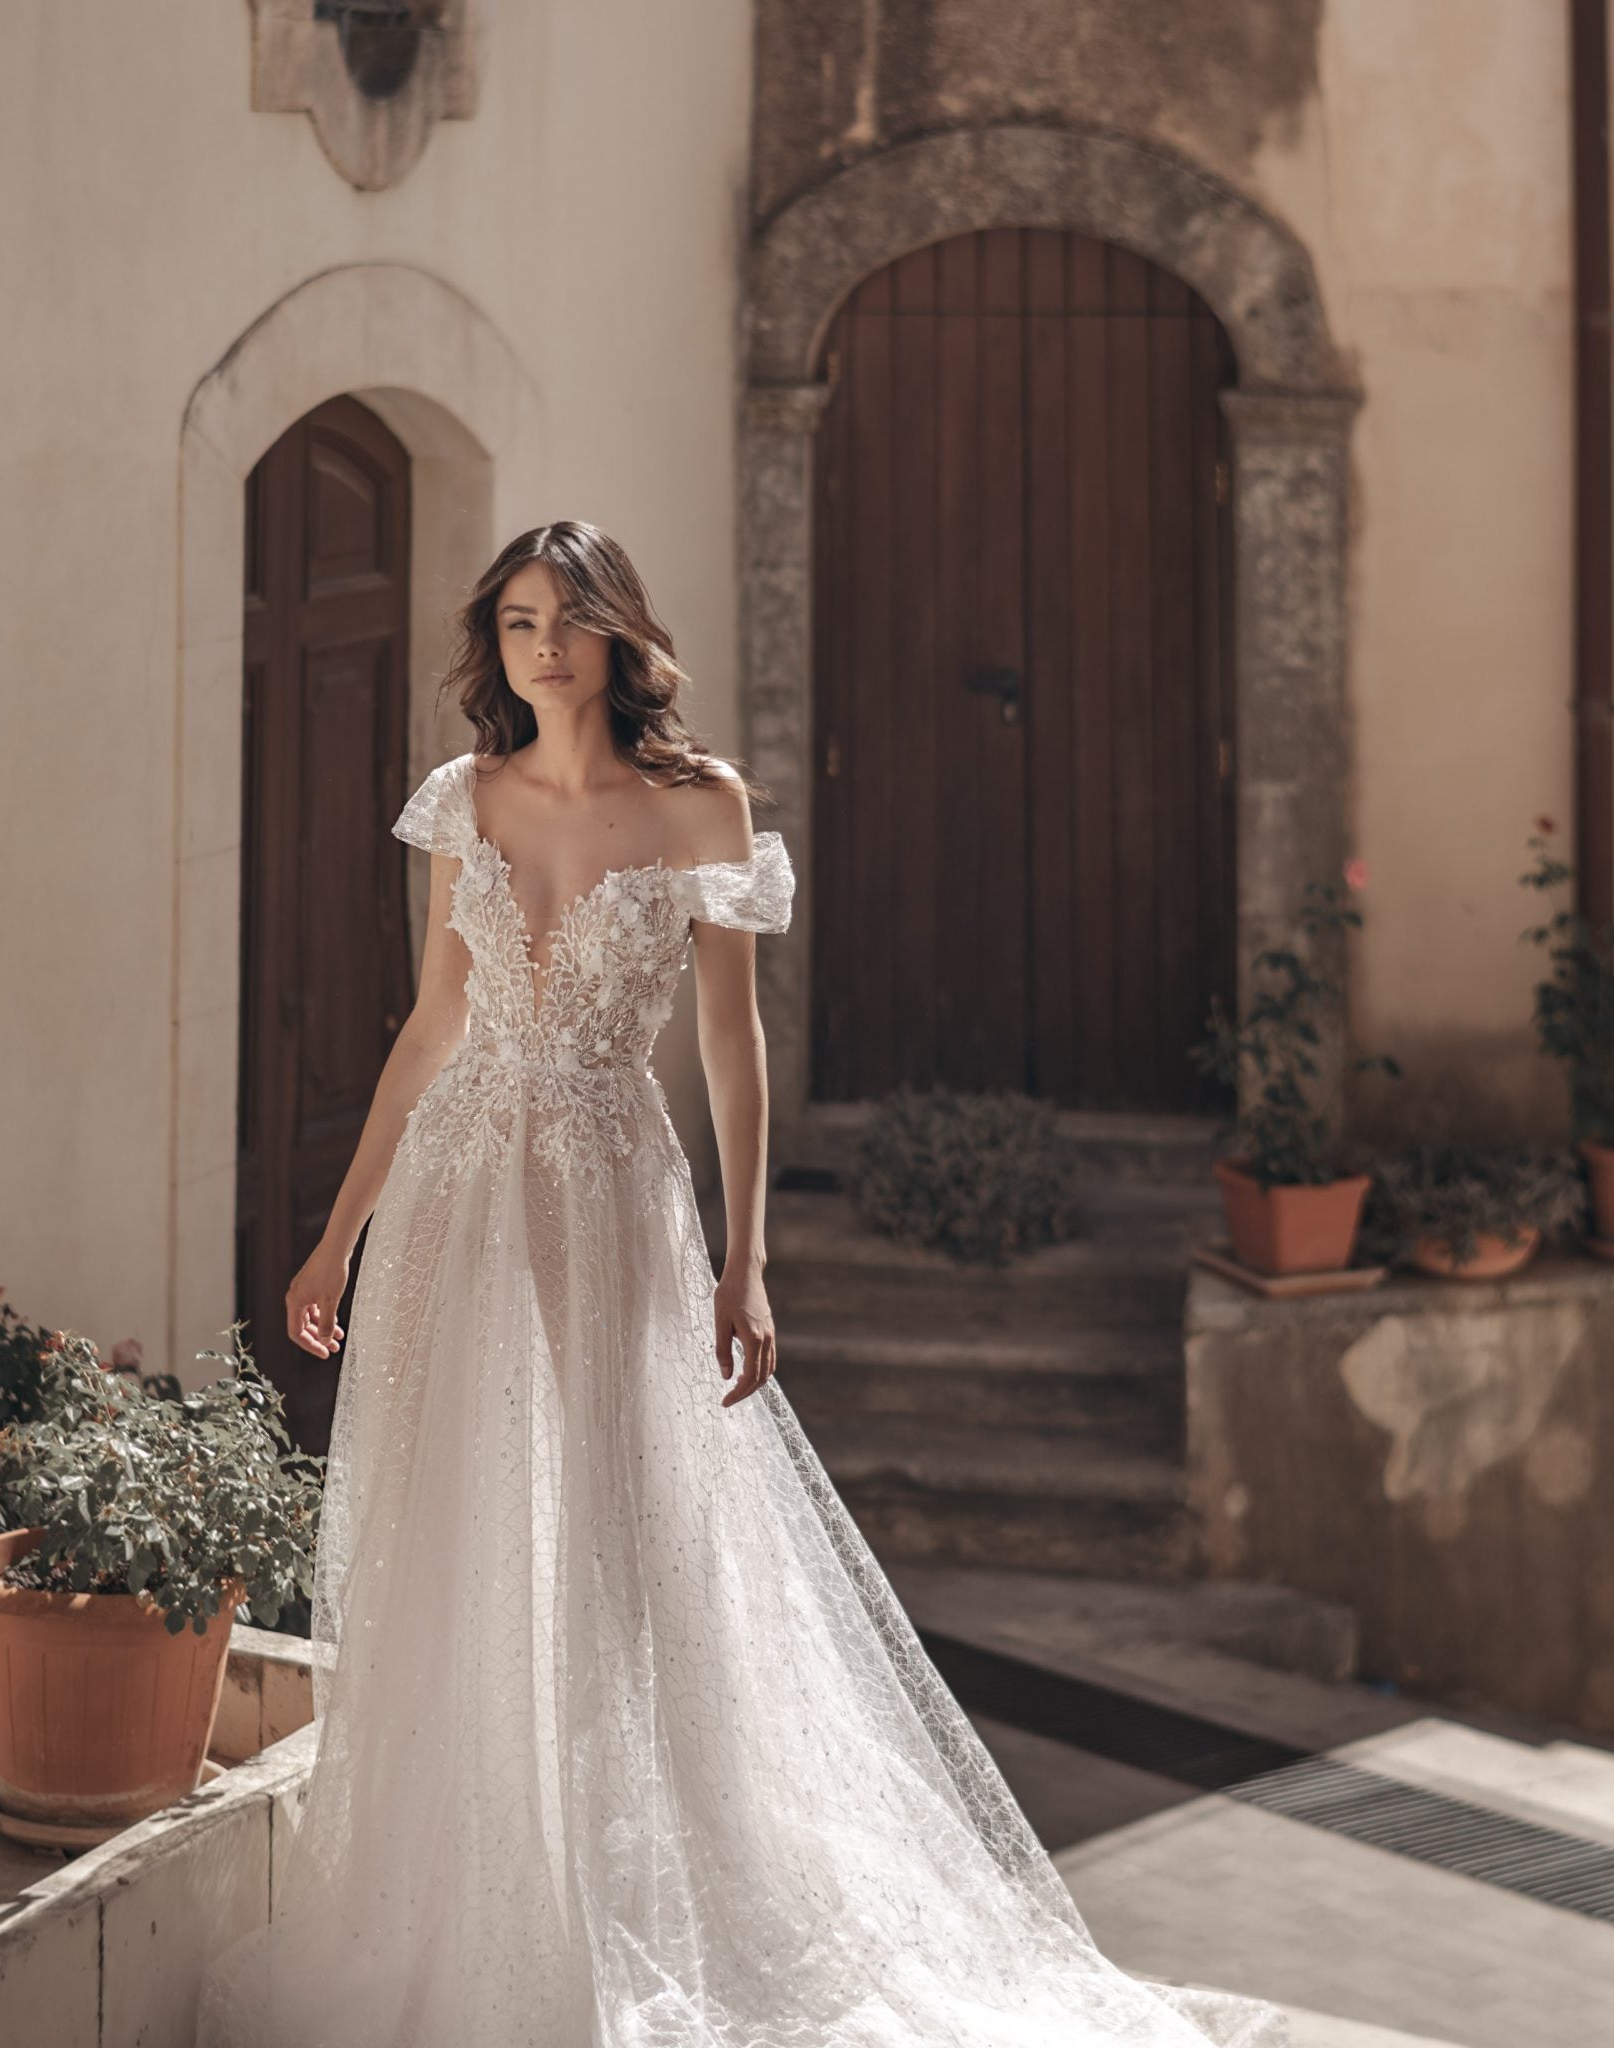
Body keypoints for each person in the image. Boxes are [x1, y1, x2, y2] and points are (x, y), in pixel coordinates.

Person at [194, 521, 1289, 2046]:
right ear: (493, 646)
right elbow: (431, 1025)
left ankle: (626, 1898)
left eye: (570, 620)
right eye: (517, 623)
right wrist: (339, 1232)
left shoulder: (702, 807)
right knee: (456, 1530)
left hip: (614, 1202)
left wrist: (748, 1255)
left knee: (621, 1542)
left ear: (620, 636)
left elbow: (731, 1045)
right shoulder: (465, 801)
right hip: (458, 1194)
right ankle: (474, 1902)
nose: (544, 648)